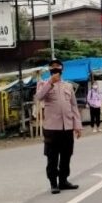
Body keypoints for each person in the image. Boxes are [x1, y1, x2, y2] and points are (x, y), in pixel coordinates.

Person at [34, 58, 82, 194]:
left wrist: (77, 125)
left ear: (62, 69)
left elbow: (74, 106)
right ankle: (53, 183)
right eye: (52, 67)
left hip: (67, 127)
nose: (55, 69)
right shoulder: (43, 84)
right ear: (49, 70)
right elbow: (39, 97)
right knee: (52, 157)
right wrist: (50, 82)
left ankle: (63, 181)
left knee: (67, 155)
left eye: (58, 66)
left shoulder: (68, 86)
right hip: (51, 128)